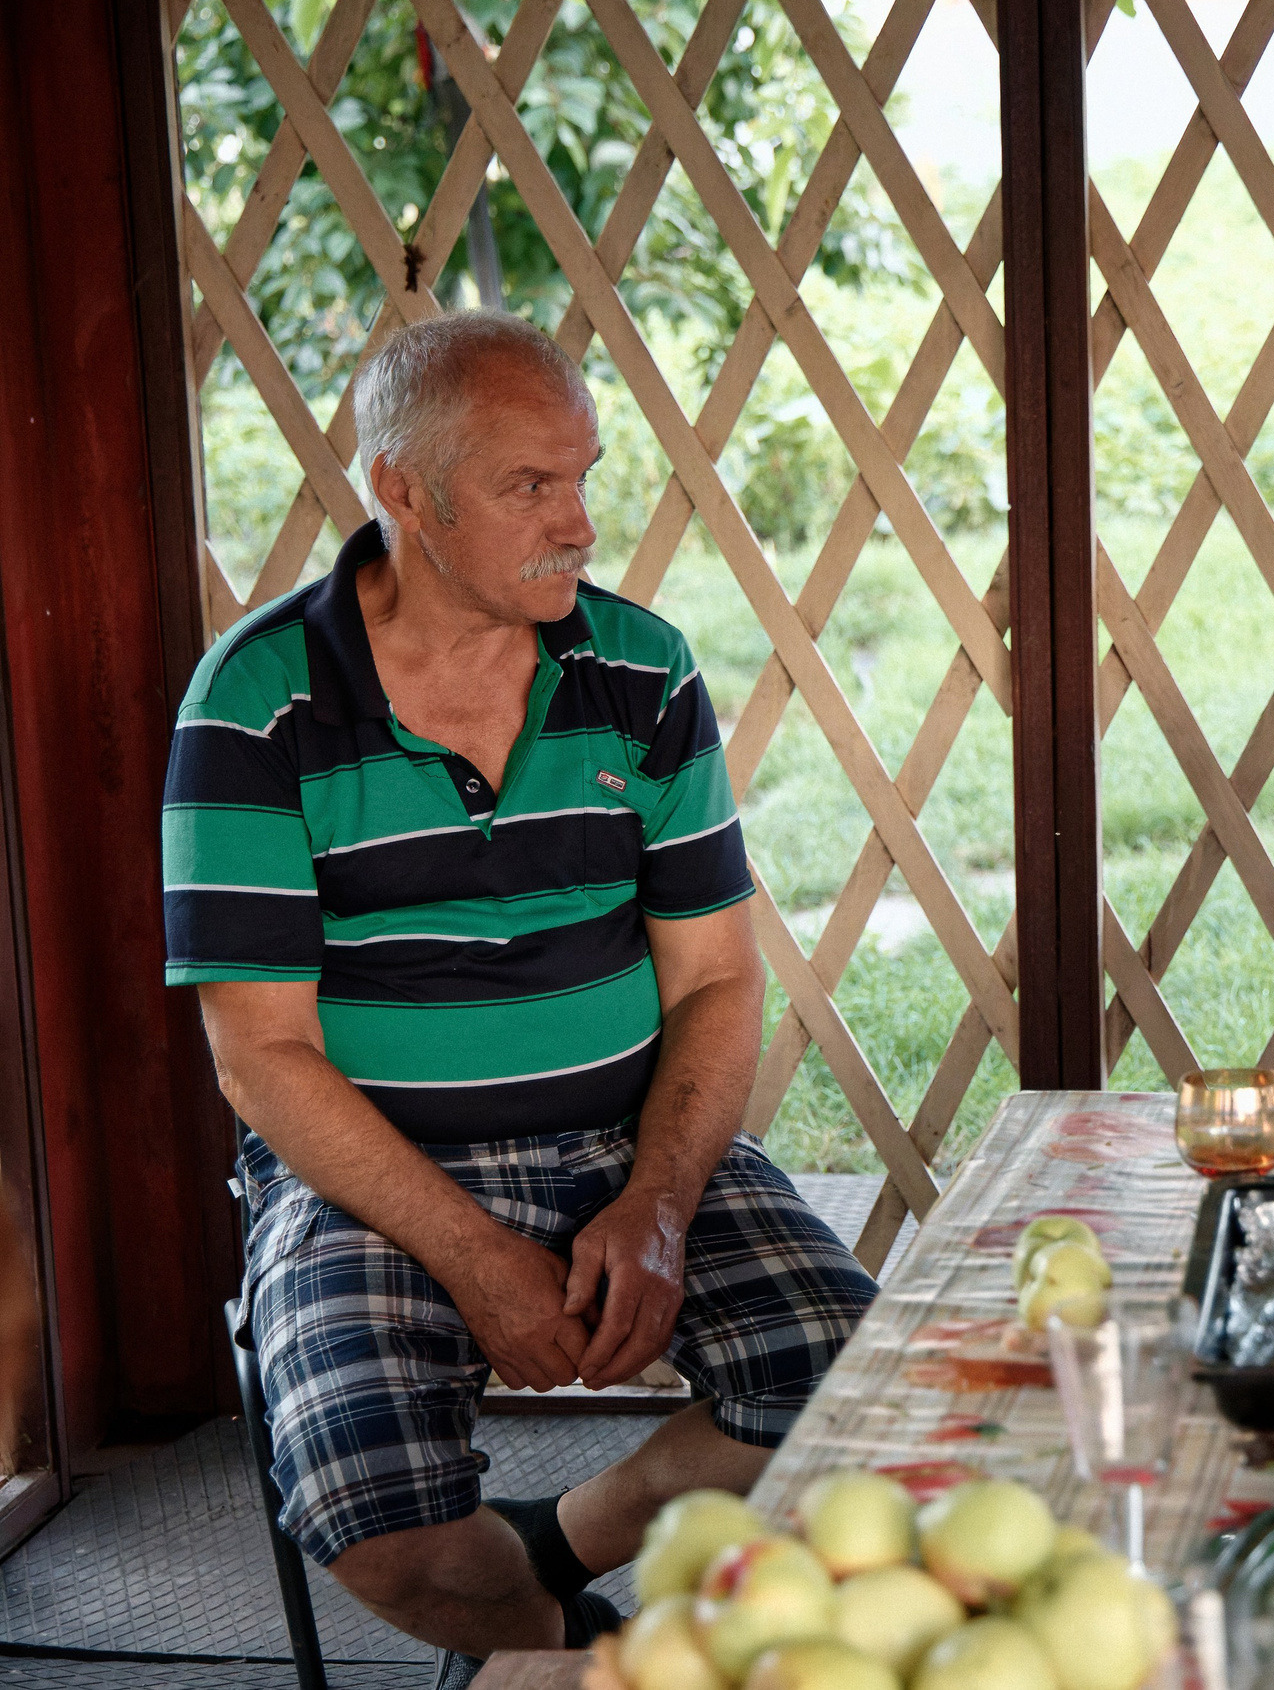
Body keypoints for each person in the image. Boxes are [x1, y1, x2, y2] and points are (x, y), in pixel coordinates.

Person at [161, 310, 875, 1685]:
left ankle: (559, 1544)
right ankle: (565, 1645)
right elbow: (258, 1053)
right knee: (382, 1518)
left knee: (859, 1390)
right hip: (368, 1165)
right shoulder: (257, 702)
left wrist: (659, 1203)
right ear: (403, 494)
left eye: (585, 476)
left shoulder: (640, 671)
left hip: (624, 1135)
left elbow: (720, 978)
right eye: (529, 487)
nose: (581, 523)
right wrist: (474, 1250)